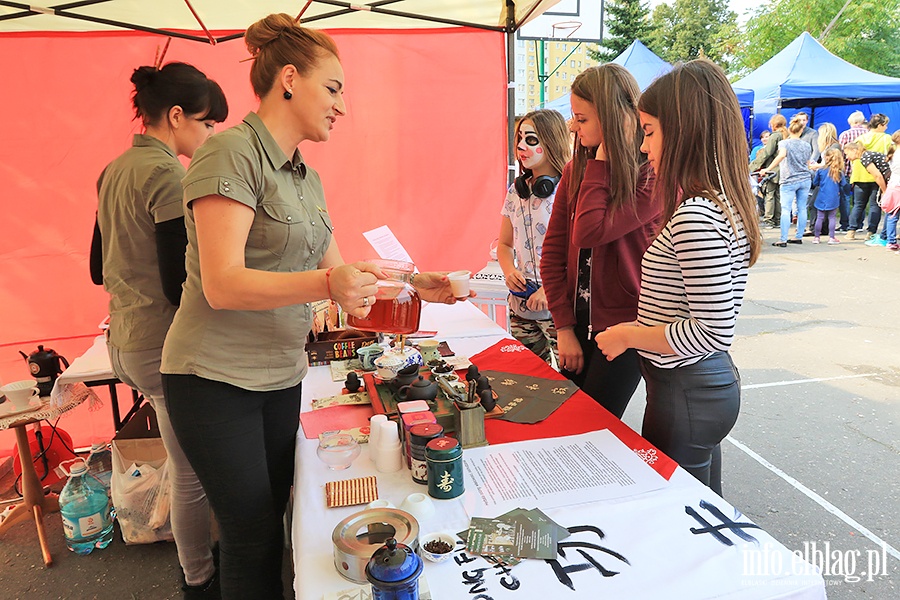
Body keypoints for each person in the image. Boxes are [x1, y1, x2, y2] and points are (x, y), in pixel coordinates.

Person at [158, 15, 465, 599]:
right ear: (290, 79)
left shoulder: (307, 179)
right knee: (251, 539)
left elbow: (347, 284)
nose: (341, 106)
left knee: (274, 525)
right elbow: (222, 285)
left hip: (279, 375)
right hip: (213, 378)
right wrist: (330, 280)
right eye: (334, 88)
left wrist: (417, 285)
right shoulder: (228, 155)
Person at [90, 62, 228, 599]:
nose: (211, 134)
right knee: (190, 473)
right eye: (207, 123)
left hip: (121, 339)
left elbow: (97, 268)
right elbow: (179, 284)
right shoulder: (168, 174)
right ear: (176, 117)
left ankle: (200, 564)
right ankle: (200, 579)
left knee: (186, 461)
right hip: (159, 343)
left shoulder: (113, 170)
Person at [594, 59, 761, 496]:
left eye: (649, 132)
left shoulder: (697, 215)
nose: (645, 147)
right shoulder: (722, 203)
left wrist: (629, 334)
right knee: (705, 507)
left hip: (687, 389)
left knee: (681, 511)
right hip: (694, 390)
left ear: (684, 130)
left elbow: (711, 331)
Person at [541, 63, 660, 419]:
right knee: (569, 422)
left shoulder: (652, 174)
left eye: (582, 119)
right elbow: (553, 253)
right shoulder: (575, 169)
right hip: (575, 325)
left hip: (627, 327)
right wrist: (563, 328)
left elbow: (590, 231)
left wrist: (602, 164)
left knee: (594, 426)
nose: (573, 127)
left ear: (612, 119)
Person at [498, 109, 571, 364]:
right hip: (520, 307)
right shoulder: (515, 192)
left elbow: (577, 255)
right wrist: (509, 272)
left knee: (569, 381)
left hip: (560, 309)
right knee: (531, 379)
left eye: (530, 139)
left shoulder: (569, 191)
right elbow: (504, 245)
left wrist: (550, 289)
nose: (520, 146)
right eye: (519, 138)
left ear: (551, 141)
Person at [763, 115, 812, 247]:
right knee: (802, 208)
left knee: (786, 209)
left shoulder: (784, 143)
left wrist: (768, 168)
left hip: (789, 179)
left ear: (790, 131)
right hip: (805, 179)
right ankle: (798, 236)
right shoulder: (807, 145)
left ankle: (783, 238)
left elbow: (782, 155)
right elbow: (808, 163)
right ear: (801, 131)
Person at [750, 115, 788, 229]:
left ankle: (769, 220)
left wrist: (751, 167)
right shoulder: (786, 135)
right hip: (784, 170)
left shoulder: (775, 136)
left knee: (769, 195)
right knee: (778, 195)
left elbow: (767, 153)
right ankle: (777, 220)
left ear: (774, 124)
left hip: (773, 170)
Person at [837, 110, 870, 231]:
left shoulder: (845, 134)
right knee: (859, 201)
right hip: (864, 171)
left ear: (852, 122)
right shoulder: (868, 134)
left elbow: (840, 154)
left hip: (847, 170)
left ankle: (845, 224)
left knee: (845, 198)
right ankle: (859, 224)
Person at [809, 148, 846, 245]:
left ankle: (816, 237)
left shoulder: (821, 170)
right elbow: (844, 184)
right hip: (833, 197)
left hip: (821, 196)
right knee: (832, 217)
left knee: (819, 217)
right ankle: (831, 237)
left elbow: (815, 182)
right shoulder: (839, 172)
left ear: (826, 158)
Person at [881, 131, 900, 251]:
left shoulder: (893, 153)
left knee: (892, 214)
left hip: (893, 185)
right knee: (893, 215)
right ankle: (891, 240)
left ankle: (890, 240)